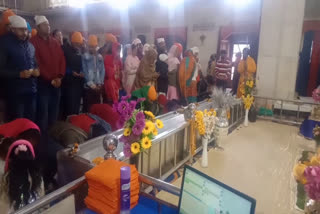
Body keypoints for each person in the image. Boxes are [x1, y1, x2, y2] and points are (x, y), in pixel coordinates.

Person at [30, 15, 66, 132]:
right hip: (43, 84)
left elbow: (62, 60)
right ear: (38, 27)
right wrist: (50, 79)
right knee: (43, 114)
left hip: (57, 83)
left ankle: (53, 135)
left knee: (54, 112)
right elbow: (37, 63)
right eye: (45, 25)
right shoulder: (33, 42)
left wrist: (60, 76)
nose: (48, 27)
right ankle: (43, 139)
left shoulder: (54, 42)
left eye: (49, 24)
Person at [0, 15, 39, 122]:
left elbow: (35, 64)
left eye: (26, 30)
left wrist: (36, 71)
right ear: (13, 29)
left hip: (31, 92)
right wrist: (19, 74)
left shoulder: (30, 46)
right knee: (17, 125)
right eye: (21, 30)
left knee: (30, 124)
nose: (25, 33)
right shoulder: (4, 44)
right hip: (15, 94)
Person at [0, 140, 43, 212]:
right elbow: (42, 202)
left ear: (9, 161)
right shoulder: (38, 178)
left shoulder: (5, 180)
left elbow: (3, 207)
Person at [61, 31, 84, 118]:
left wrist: (82, 72)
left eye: (79, 44)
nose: (78, 46)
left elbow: (83, 64)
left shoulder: (80, 51)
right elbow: (62, 65)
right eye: (76, 43)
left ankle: (75, 123)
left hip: (78, 83)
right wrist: (70, 72)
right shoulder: (65, 49)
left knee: (76, 106)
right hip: (69, 83)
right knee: (69, 106)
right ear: (72, 42)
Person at [82, 35, 105, 112]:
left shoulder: (100, 57)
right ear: (88, 46)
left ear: (96, 46)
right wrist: (92, 85)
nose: (92, 49)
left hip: (98, 87)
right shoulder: (85, 57)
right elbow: (84, 71)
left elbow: (102, 70)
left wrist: (100, 83)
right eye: (90, 47)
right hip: (89, 87)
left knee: (96, 108)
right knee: (88, 108)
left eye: (94, 47)